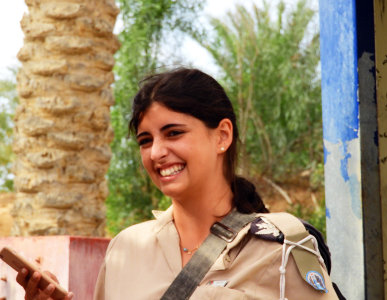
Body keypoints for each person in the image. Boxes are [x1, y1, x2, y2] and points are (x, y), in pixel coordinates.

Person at [17, 68, 341, 299]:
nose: (157, 152)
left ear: (222, 136)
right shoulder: (125, 249)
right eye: (145, 140)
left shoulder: (283, 247)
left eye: (174, 133)